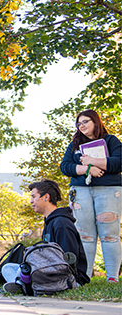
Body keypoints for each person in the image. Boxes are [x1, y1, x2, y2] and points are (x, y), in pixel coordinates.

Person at [60, 109, 121, 283]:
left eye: (85, 121)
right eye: (79, 124)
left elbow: (119, 162)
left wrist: (92, 161)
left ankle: (112, 278)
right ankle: (83, 277)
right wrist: (88, 169)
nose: (82, 126)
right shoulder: (75, 144)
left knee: (110, 235)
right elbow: (65, 167)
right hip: (81, 191)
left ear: (96, 121)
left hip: (109, 191)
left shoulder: (111, 141)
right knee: (84, 235)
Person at [4, 179, 90, 293]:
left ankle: (24, 284)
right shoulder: (49, 223)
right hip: (49, 272)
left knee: (18, 271)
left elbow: (68, 260)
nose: (31, 201)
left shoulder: (62, 223)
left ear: (46, 197)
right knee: (8, 268)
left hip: (67, 279)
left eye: (34, 197)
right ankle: (25, 283)